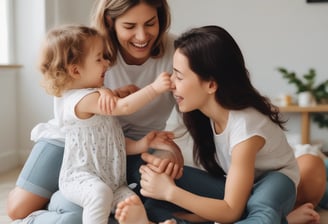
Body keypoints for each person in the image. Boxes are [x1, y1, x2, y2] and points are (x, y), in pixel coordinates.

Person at [7, 0, 326, 223]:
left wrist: (169, 150)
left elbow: (199, 98)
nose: (142, 36)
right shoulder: (94, 51)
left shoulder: (176, 52)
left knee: (142, 192)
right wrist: (132, 91)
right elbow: (96, 100)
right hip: (74, 139)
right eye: (130, 26)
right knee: (18, 208)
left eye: (151, 23)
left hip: (126, 144)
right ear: (110, 23)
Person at [119, 25, 301, 224]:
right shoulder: (199, 112)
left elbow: (231, 210)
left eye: (179, 76)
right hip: (238, 191)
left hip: (273, 181)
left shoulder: (246, 128)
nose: (171, 82)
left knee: (261, 214)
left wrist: (170, 192)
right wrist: (163, 164)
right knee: (154, 202)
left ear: (211, 85)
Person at [37, 24, 182, 224]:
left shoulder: (98, 97)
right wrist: (154, 88)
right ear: (76, 70)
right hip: (81, 178)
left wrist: (143, 143)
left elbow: (112, 142)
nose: (106, 63)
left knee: (132, 205)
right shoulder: (78, 101)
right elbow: (122, 108)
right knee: (99, 194)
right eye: (99, 58)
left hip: (113, 182)